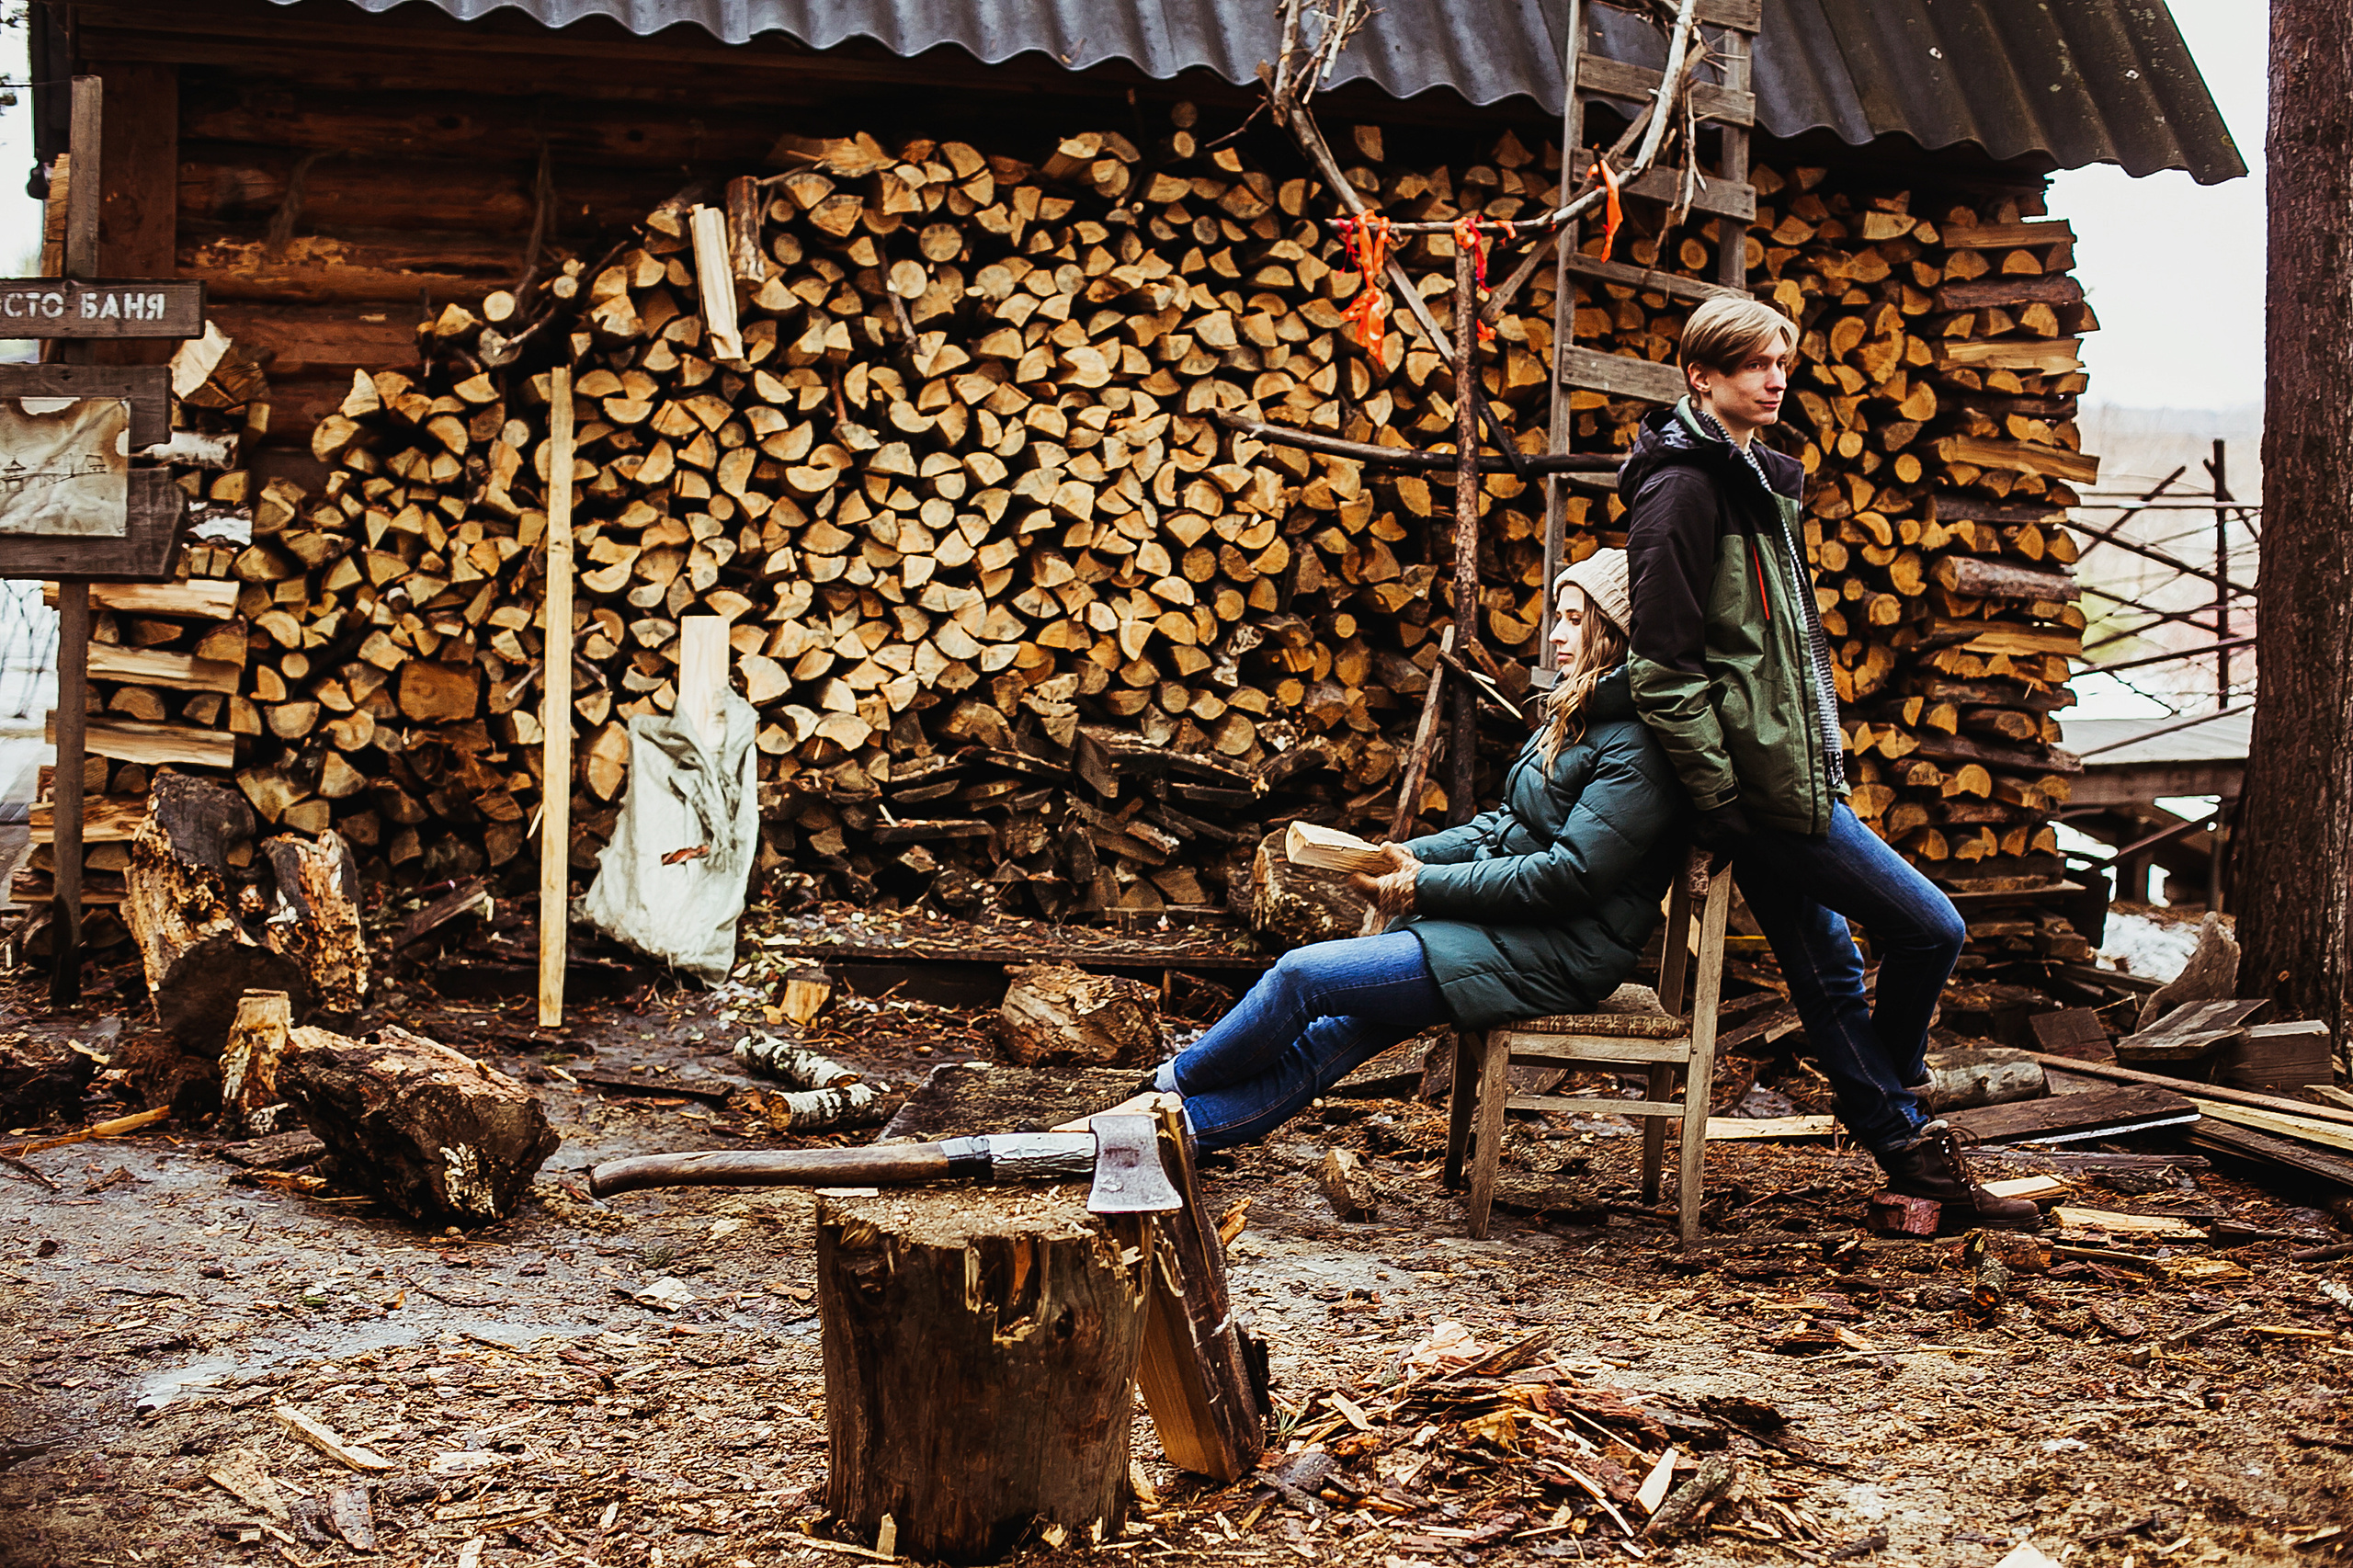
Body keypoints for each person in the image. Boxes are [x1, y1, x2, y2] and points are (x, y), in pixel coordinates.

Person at [1620, 295, 2039, 1233]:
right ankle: (1897, 1101)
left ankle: (1907, 1151)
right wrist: (1720, 795)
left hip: (1775, 771)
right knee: (1932, 927)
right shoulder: (1683, 488)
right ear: (1701, 375)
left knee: (1828, 975)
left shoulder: (1752, 479)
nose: (1773, 379)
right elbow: (1663, 664)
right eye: (1752, 366)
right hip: (1756, 789)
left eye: (1780, 362)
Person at [1131, 549, 1688, 1152]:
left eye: (1575, 619)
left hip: (1559, 951)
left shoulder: (1637, 750)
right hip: (1513, 930)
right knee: (1336, 1031)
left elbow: (1568, 877)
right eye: (1558, 615)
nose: (1555, 633)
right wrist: (1403, 856)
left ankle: (1163, 1092)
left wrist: (1424, 886)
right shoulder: (1580, 714)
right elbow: (1504, 825)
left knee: (1300, 977)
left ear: (1614, 630)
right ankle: (1178, 1136)